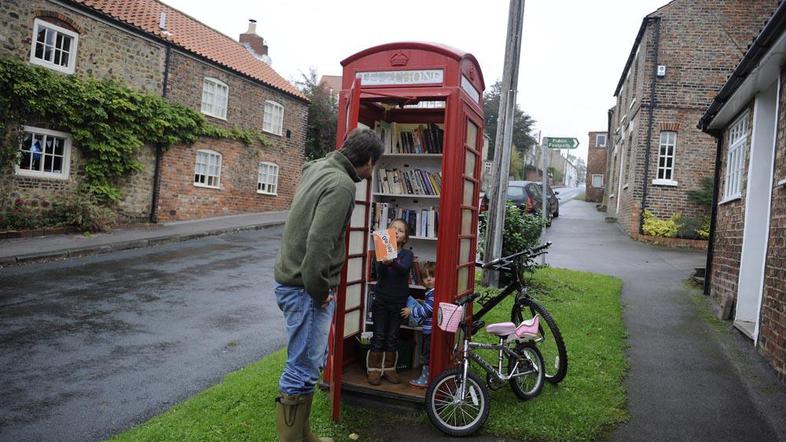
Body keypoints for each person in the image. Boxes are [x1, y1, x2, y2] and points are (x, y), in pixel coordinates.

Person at [273, 128, 384, 442]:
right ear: (370, 161)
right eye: (374, 166)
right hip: (306, 287)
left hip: (291, 280)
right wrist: (319, 290)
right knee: (302, 367)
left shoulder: (317, 168)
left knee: (308, 362)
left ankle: (303, 434)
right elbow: (319, 243)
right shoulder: (342, 184)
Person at [366, 219, 413, 385]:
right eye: (393, 228)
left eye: (400, 230)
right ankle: (374, 369)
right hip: (381, 300)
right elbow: (379, 274)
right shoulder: (381, 251)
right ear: (388, 233)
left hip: (398, 301)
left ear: (405, 238)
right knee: (378, 335)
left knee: (393, 335)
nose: (397, 231)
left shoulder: (407, 254)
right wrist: (385, 263)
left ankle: (389, 368)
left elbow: (404, 269)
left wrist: (391, 261)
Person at [401, 261, 436, 387]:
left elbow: (428, 311)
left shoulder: (433, 294)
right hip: (430, 329)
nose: (428, 279)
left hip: (430, 330)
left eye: (432, 276)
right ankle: (430, 377)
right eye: (425, 277)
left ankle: (425, 379)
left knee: (426, 355)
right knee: (427, 354)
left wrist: (412, 310)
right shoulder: (431, 293)